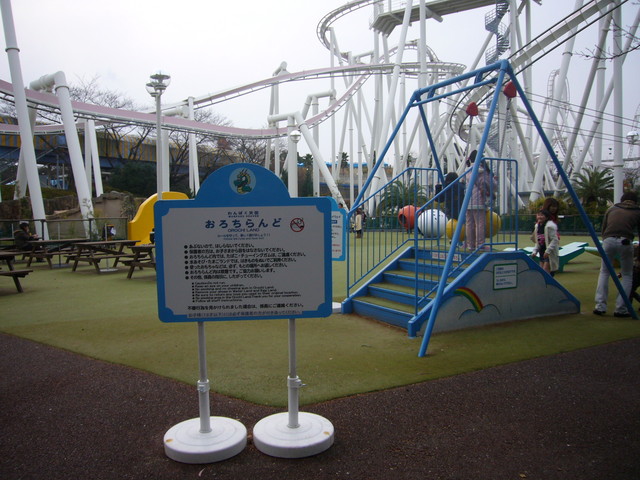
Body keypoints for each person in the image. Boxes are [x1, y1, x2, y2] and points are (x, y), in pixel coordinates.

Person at [593, 191, 640, 317]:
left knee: (604, 272)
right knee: (627, 275)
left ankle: (600, 306)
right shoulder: (637, 211)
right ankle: (621, 308)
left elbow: (604, 228)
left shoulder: (611, 209)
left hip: (608, 240)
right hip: (626, 241)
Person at [460, 150, 496, 251]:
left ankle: (470, 244)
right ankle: (480, 244)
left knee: (469, 223)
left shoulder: (467, 171)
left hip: (468, 201)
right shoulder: (481, 171)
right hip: (479, 200)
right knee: (480, 224)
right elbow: (490, 185)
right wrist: (494, 180)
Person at [530, 209, 559, 276]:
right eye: (538, 215)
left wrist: (548, 251)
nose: (539, 217)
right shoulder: (537, 226)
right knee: (542, 274)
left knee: (545, 273)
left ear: (546, 217)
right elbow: (538, 241)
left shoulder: (549, 227)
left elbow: (555, 240)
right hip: (542, 253)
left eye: (542, 215)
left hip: (549, 254)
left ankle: (550, 282)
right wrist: (535, 251)